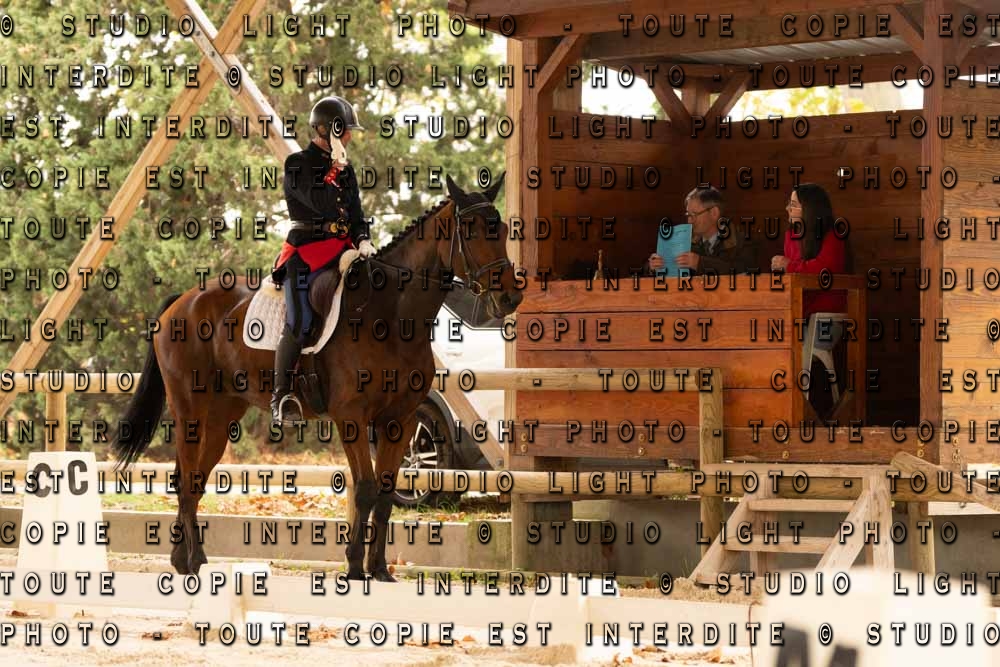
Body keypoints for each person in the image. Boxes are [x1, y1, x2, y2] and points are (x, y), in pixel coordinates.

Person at [269, 95, 376, 425]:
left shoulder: (346, 169)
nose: (351, 137)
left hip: (344, 251)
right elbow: (319, 201)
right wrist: (336, 168)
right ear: (328, 130)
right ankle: (281, 396)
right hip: (305, 254)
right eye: (346, 131)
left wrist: (363, 238)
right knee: (301, 321)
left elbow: (355, 213)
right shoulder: (297, 164)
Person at [770, 183, 848, 317]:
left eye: (793, 205)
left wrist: (788, 266)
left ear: (810, 209)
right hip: (798, 309)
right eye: (789, 204)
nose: (787, 208)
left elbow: (823, 270)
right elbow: (793, 274)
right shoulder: (791, 235)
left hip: (825, 311)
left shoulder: (832, 234)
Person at [646, 186, 754, 276]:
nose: (689, 221)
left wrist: (700, 263)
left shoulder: (742, 242)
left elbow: (742, 272)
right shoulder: (683, 241)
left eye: (694, 214)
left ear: (714, 213)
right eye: (688, 215)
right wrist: (653, 268)